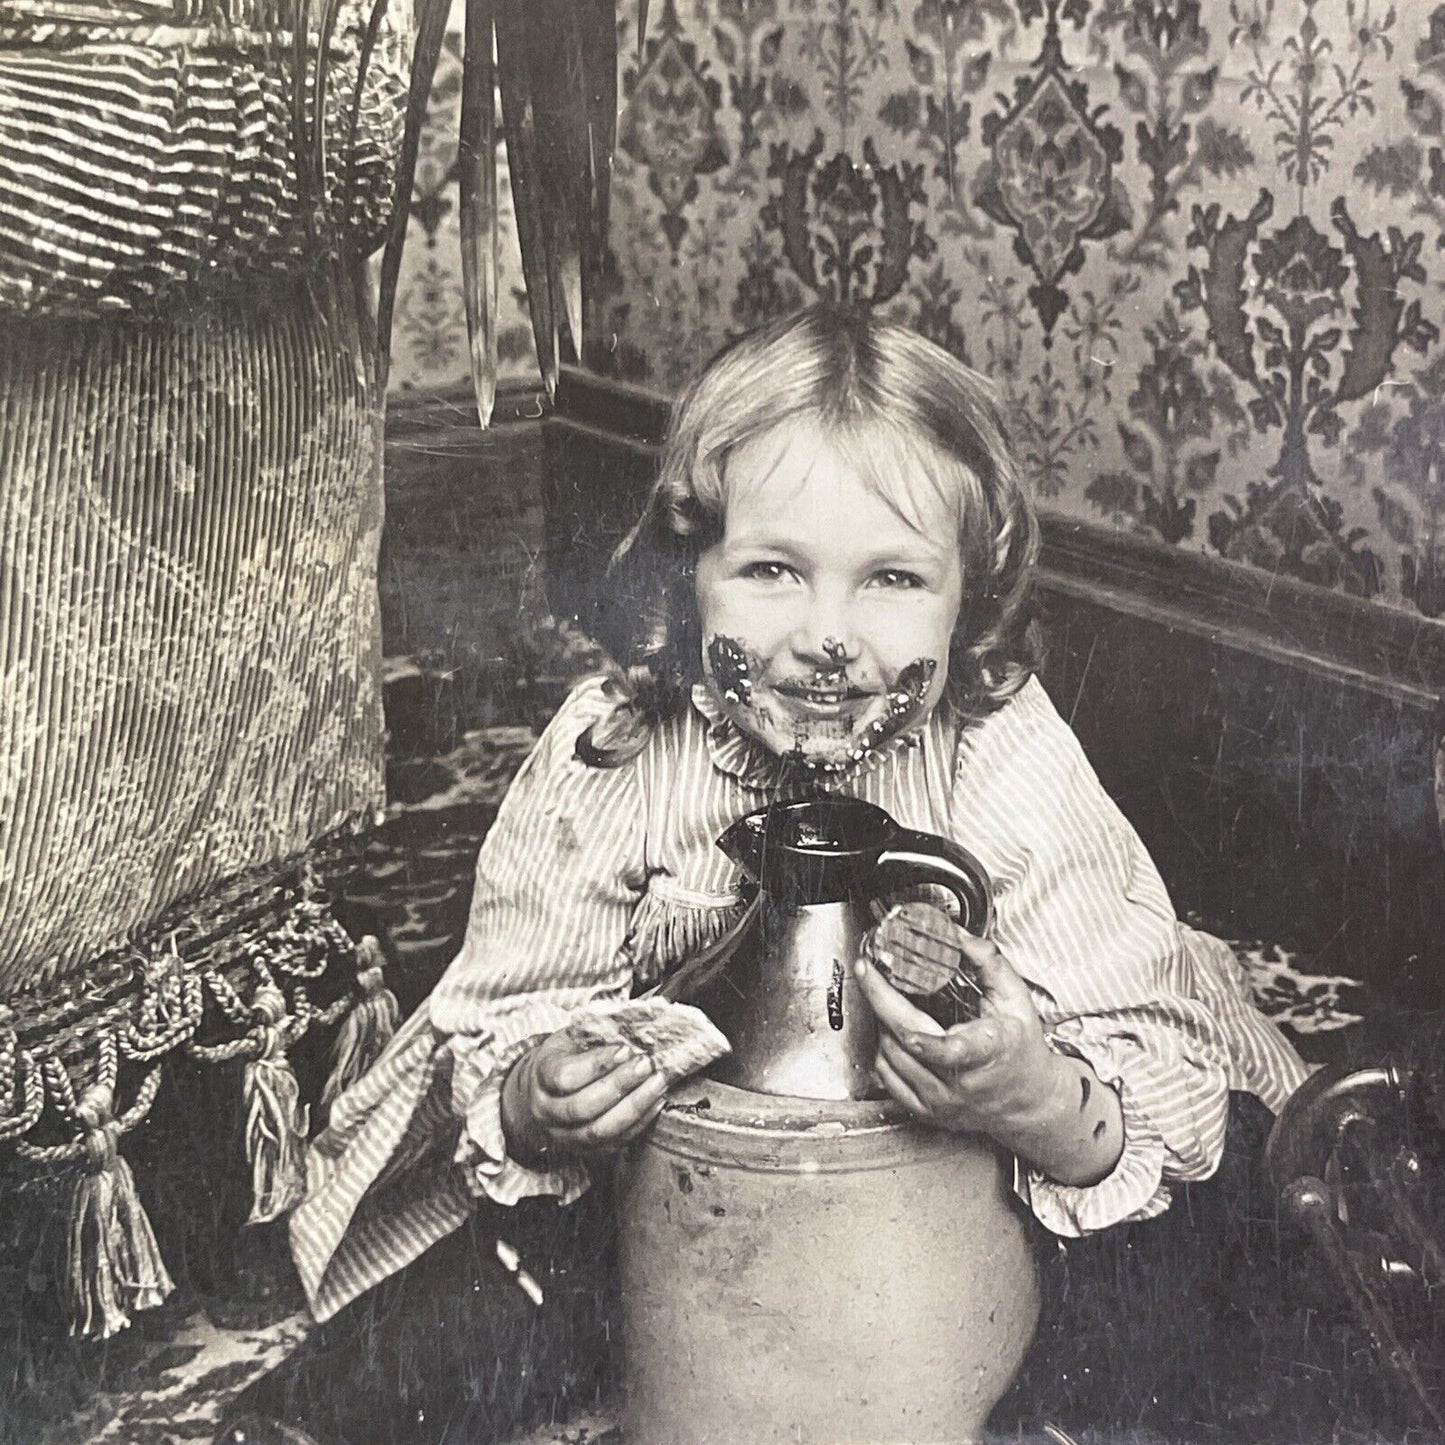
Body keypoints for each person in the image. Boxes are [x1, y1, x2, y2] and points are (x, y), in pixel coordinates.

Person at [288, 302, 1310, 1325]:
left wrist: (1033, 1095)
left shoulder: (993, 745)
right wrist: (536, 1096)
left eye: (893, 579)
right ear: (689, 576)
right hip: (707, 1194)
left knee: (1207, 1291)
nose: (828, 638)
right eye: (772, 570)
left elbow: (1140, 1053)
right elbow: (507, 1004)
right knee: (487, 1320)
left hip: (984, 1194)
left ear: (967, 598)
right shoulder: (619, 746)